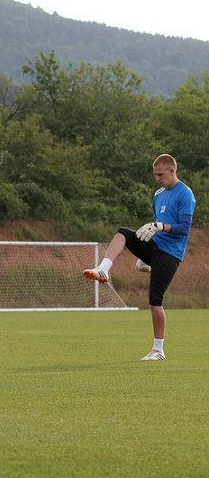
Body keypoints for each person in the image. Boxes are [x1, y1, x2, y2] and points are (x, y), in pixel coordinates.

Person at [83, 154, 196, 361]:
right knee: (123, 233)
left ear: (172, 171)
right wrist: (153, 228)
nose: (158, 179)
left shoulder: (185, 194)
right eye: (155, 175)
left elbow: (184, 228)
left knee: (155, 300)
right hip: (156, 246)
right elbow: (157, 221)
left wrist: (160, 226)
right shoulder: (158, 194)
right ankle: (103, 268)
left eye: (161, 175)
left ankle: (158, 350)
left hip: (170, 254)